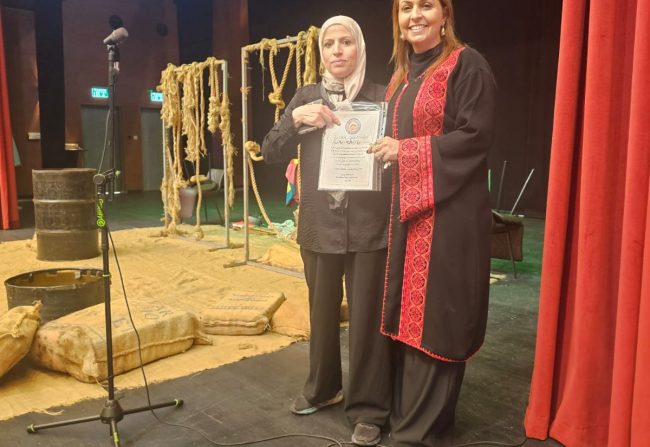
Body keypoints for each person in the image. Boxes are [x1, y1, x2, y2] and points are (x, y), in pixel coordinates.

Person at [367, 0, 496, 445]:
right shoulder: (402, 77)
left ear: (445, 15)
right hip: (407, 214)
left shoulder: (467, 65)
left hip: (450, 217)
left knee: (438, 318)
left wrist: (405, 151)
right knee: (407, 315)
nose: (415, 15)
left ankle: (421, 431)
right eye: (406, 8)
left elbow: (476, 135)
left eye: (426, 5)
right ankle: (405, 417)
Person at [261, 16, 392, 447]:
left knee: (367, 319)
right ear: (321, 53)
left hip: (369, 227)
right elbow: (271, 150)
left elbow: (400, 157)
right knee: (321, 313)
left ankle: (369, 408)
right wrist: (295, 120)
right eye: (329, 43)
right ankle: (323, 388)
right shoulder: (306, 97)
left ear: (360, 49)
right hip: (319, 225)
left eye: (346, 42)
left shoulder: (382, 97)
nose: (337, 50)